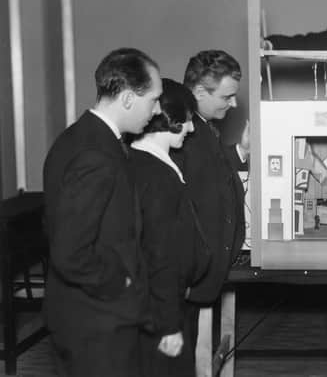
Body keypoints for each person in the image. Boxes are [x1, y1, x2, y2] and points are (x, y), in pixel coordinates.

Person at [43, 48, 162, 377]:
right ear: (127, 98)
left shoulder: (77, 138)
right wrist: (120, 281)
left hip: (86, 316)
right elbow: (70, 252)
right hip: (97, 322)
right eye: (153, 99)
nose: (157, 110)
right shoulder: (97, 153)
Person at [171, 50, 249, 375]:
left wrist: (241, 150)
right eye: (227, 96)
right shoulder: (182, 132)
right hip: (187, 277)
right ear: (200, 92)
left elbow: (209, 171)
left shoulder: (202, 126)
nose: (232, 104)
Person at [130, 79, 211, 377]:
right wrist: (169, 326)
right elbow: (160, 254)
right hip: (162, 311)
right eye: (188, 120)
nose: (191, 129)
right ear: (172, 119)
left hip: (165, 304)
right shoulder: (156, 175)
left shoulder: (147, 162)